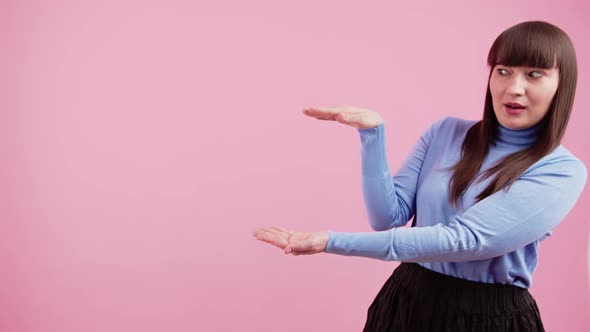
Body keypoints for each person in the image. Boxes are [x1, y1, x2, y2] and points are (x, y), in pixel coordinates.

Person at [253, 21, 587, 331]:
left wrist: (329, 241)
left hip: (489, 317)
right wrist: (372, 136)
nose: (513, 88)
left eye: (534, 74)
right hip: (407, 298)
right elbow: (387, 216)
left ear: (562, 84)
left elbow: (466, 240)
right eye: (503, 71)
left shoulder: (560, 170)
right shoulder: (446, 132)